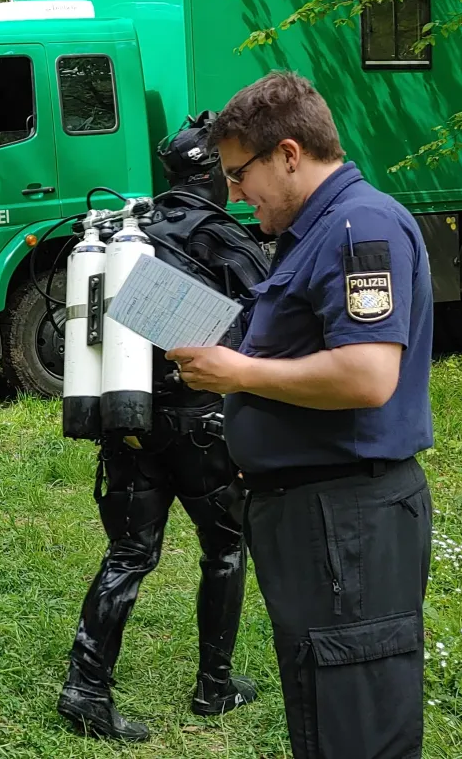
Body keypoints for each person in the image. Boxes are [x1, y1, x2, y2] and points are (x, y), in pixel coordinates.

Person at [167, 72, 436, 759]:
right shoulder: (312, 231)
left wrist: (241, 373)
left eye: (237, 175)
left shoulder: (359, 228)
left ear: (289, 154)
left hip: (346, 518)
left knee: (356, 724)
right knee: (326, 709)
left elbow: (369, 375)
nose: (232, 193)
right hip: (314, 518)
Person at [57, 114, 271, 742]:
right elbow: (267, 323)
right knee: (226, 547)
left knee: (129, 552)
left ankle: (85, 689)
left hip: (128, 414)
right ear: (212, 175)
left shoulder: (132, 232)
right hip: (200, 420)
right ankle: (216, 685)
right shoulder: (221, 234)